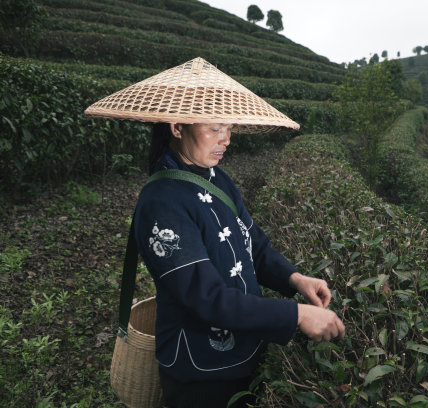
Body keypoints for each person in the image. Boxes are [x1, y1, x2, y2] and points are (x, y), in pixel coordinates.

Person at [85, 58, 345, 407]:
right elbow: (206, 297)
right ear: (177, 126)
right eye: (214, 128)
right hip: (199, 370)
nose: (225, 139)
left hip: (245, 348)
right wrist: (297, 315)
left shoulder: (218, 178)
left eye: (229, 128)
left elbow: (254, 245)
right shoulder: (161, 202)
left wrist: (296, 280)